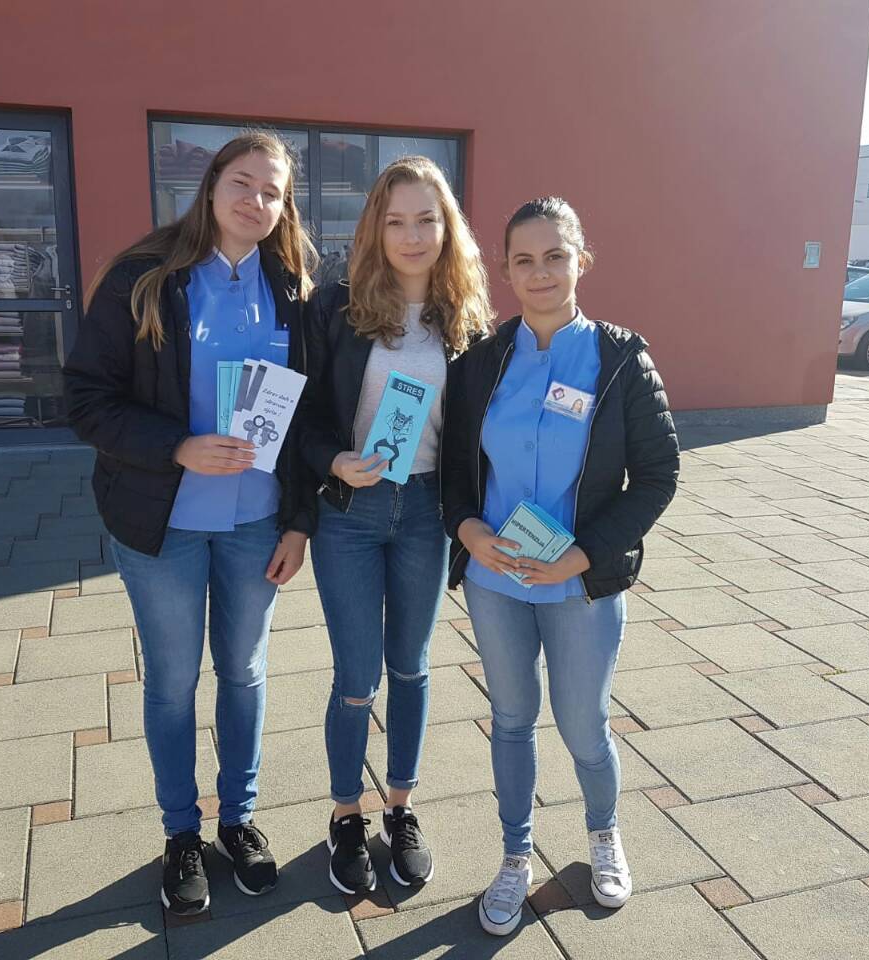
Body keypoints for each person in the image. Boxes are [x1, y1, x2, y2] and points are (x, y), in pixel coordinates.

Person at [63, 131, 318, 915]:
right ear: (210, 186)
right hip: (162, 525)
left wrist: (299, 523)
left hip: (256, 523)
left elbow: (310, 420)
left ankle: (238, 820)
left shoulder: (293, 288)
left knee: (244, 672)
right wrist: (177, 446)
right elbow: (85, 401)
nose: (256, 201)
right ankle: (181, 832)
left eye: (273, 192)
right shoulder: (145, 278)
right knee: (174, 682)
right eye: (243, 183)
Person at [442, 197, 679, 935]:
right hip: (497, 582)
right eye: (524, 259)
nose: (540, 272)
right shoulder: (480, 364)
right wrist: (468, 530)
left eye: (555, 256)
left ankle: (603, 834)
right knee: (512, 721)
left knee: (583, 725)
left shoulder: (621, 359)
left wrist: (585, 553)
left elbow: (659, 475)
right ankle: (516, 855)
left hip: (581, 584)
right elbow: (454, 473)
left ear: (582, 261)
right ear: (506, 271)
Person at [301, 156, 493, 894]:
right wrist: (333, 460)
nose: (412, 236)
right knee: (357, 675)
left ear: (448, 229)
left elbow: (479, 435)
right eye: (397, 221)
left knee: (410, 666)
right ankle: (346, 813)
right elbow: (306, 419)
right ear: (375, 230)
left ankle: (400, 808)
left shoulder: (466, 322)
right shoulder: (338, 309)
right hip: (349, 513)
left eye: (427, 220)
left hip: (423, 512)